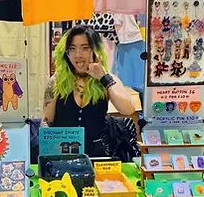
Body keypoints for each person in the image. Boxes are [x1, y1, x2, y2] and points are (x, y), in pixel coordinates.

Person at [43, 25, 135, 156]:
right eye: (72, 49)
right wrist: (49, 151)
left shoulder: (108, 79)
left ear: (95, 51)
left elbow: (128, 110)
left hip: (100, 156)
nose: (78, 55)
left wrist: (103, 78)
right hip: (64, 153)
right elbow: (47, 121)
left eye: (85, 48)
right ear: (66, 53)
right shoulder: (56, 81)